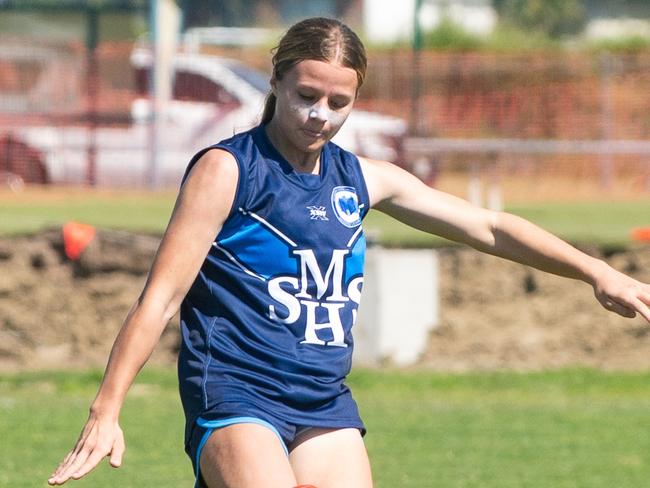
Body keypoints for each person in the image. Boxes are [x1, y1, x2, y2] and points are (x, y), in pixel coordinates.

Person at [49, 16, 650, 488]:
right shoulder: (228, 170)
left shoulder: (362, 179)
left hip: (323, 399)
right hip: (235, 391)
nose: (320, 115)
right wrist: (107, 408)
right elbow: (161, 298)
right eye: (306, 95)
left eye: (339, 103)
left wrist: (596, 272)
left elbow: (489, 227)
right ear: (276, 82)